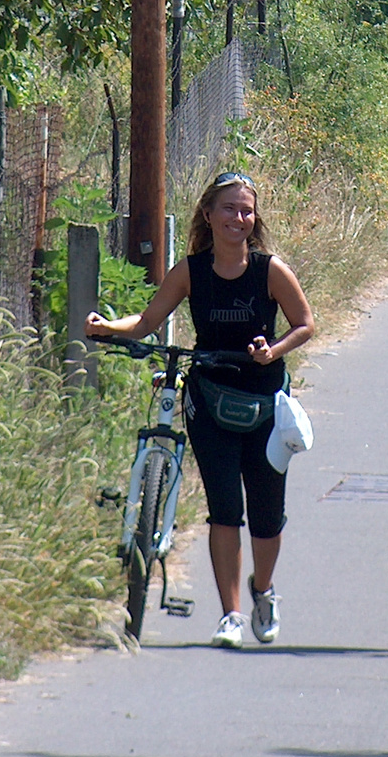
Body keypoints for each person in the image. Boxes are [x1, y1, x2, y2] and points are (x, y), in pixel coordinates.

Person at [86, 172, 315, 648]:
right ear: (208, 215)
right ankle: (231, 614)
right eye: (229, 209)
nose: (238, 218)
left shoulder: (270, 270)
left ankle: (263, 590)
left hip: (265, 406)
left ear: (254, 220)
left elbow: (305, 324)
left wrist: (272, 351)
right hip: (208, 400)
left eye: (246, 210)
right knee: (225, 509)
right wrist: (110, 327)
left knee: (268, 515)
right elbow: (149, 321)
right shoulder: (190, 271)